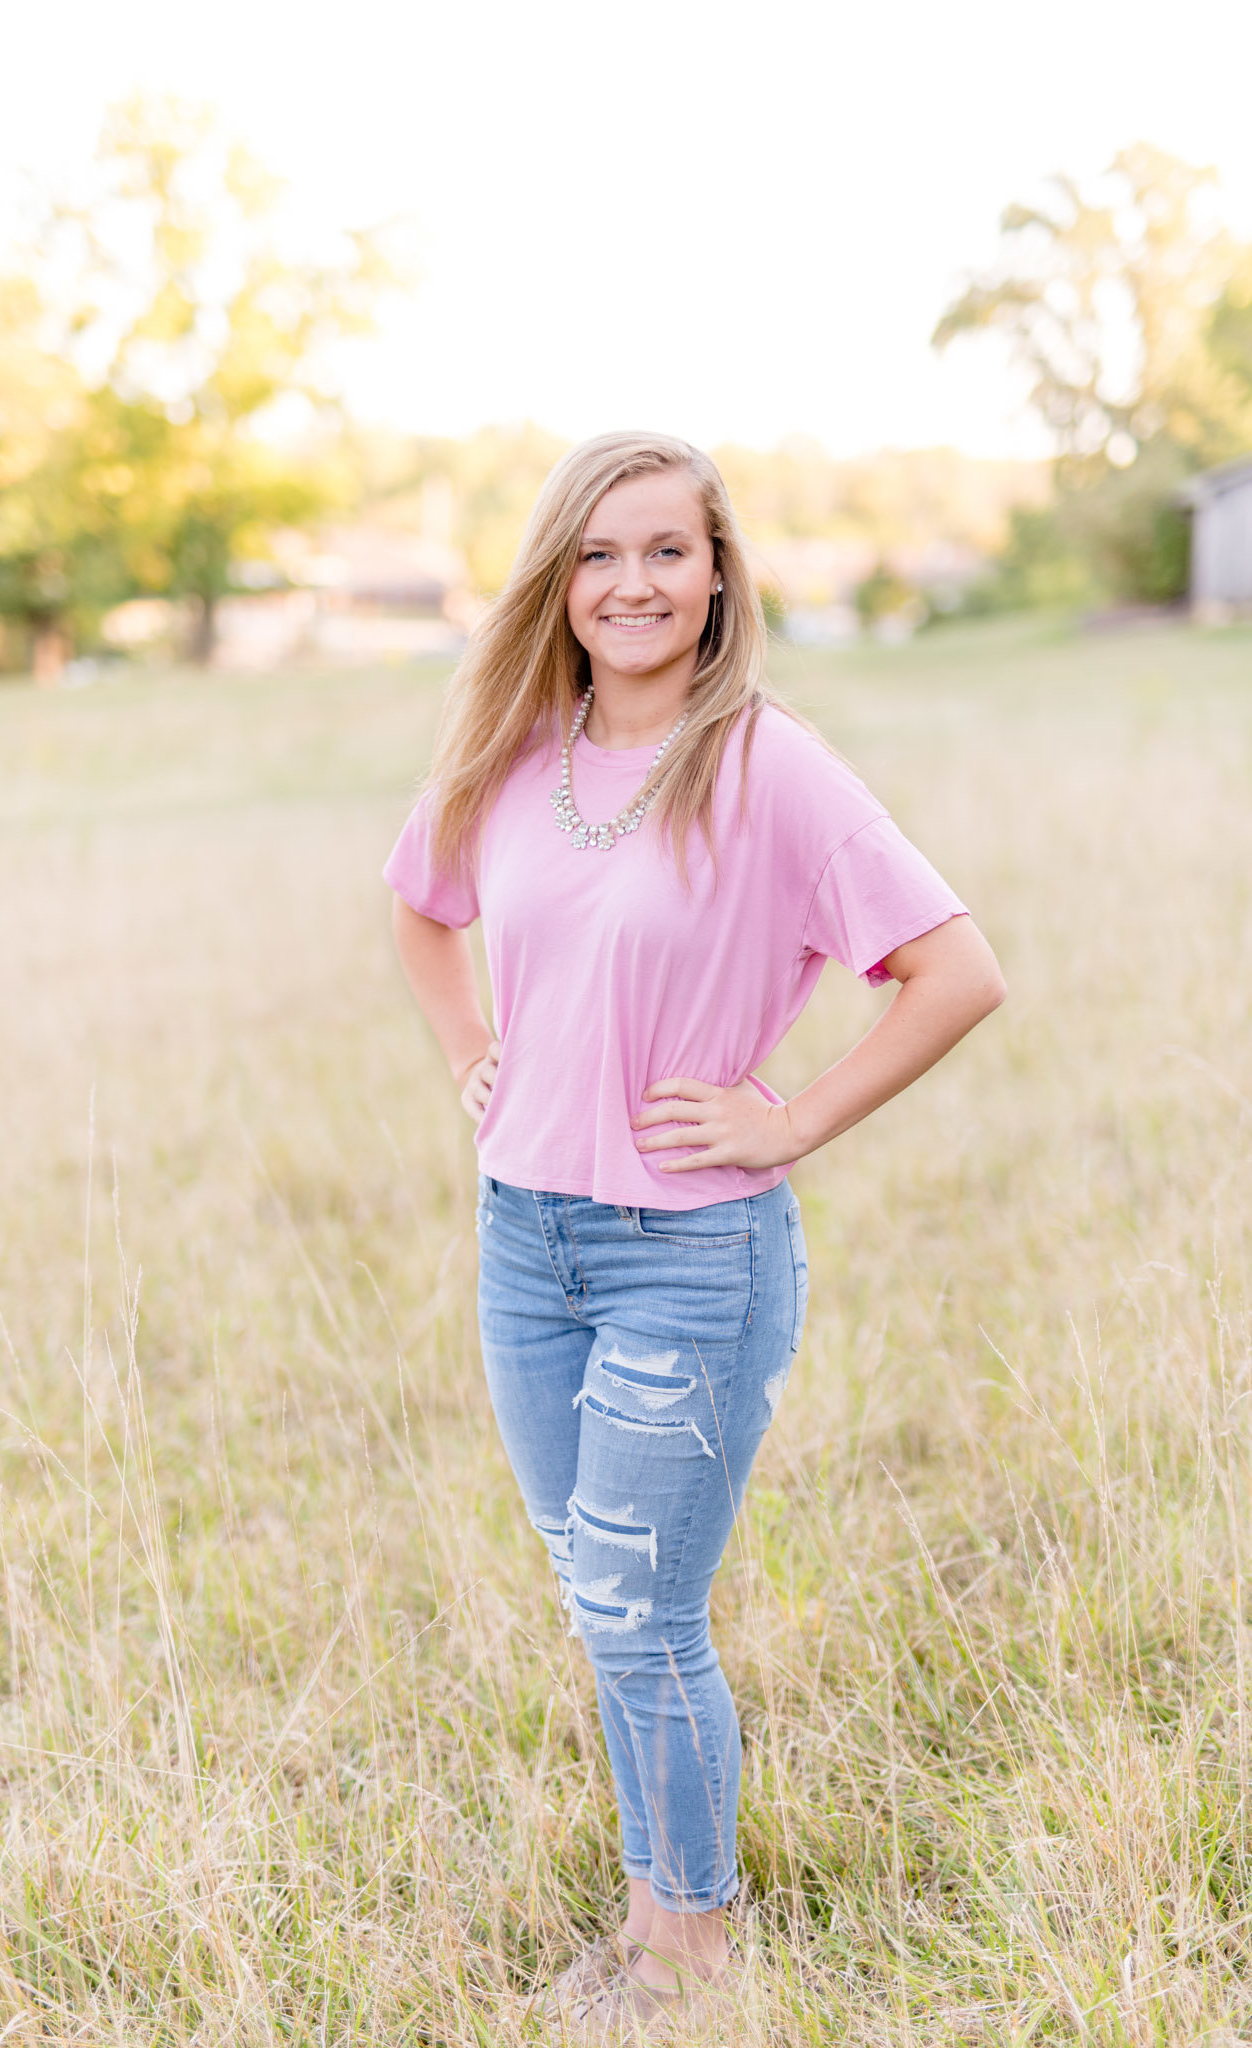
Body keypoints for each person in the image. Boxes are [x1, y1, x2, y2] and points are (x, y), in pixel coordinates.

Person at [383, 431, 1005, 2038]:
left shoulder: (770, 763)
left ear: (718, 571)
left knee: (636, 1609)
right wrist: (472, 1056)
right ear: (559, 582)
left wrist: (789, 1121)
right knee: (597, 1587)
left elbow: (957, 972)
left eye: (665, 551)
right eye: (597, 555)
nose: (631, 584)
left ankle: (687, 1950)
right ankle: (664, 1905)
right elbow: (420, 906)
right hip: (526, 1241)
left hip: (688, 1253)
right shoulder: (517, 753)